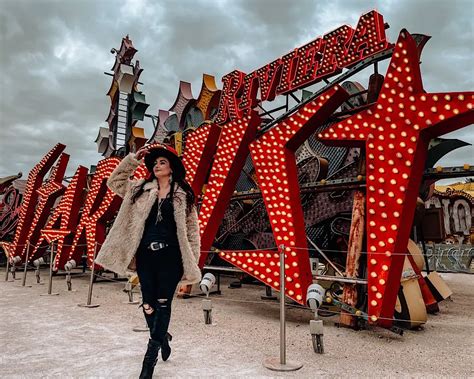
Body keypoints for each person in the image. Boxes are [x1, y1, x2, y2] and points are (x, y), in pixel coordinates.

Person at [95, 144, 201, 379]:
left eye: (162, 162)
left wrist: (191, 260)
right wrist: (133, 159)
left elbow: (192, 231)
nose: (156, 165)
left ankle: (149, 358)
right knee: (148, 304)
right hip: (145, 256)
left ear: (172, 167)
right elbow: (114, 182)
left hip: (172, 257)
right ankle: (163, 337)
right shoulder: (140, 189)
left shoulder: (184, 193)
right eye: (154, 163)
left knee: (164, 303)